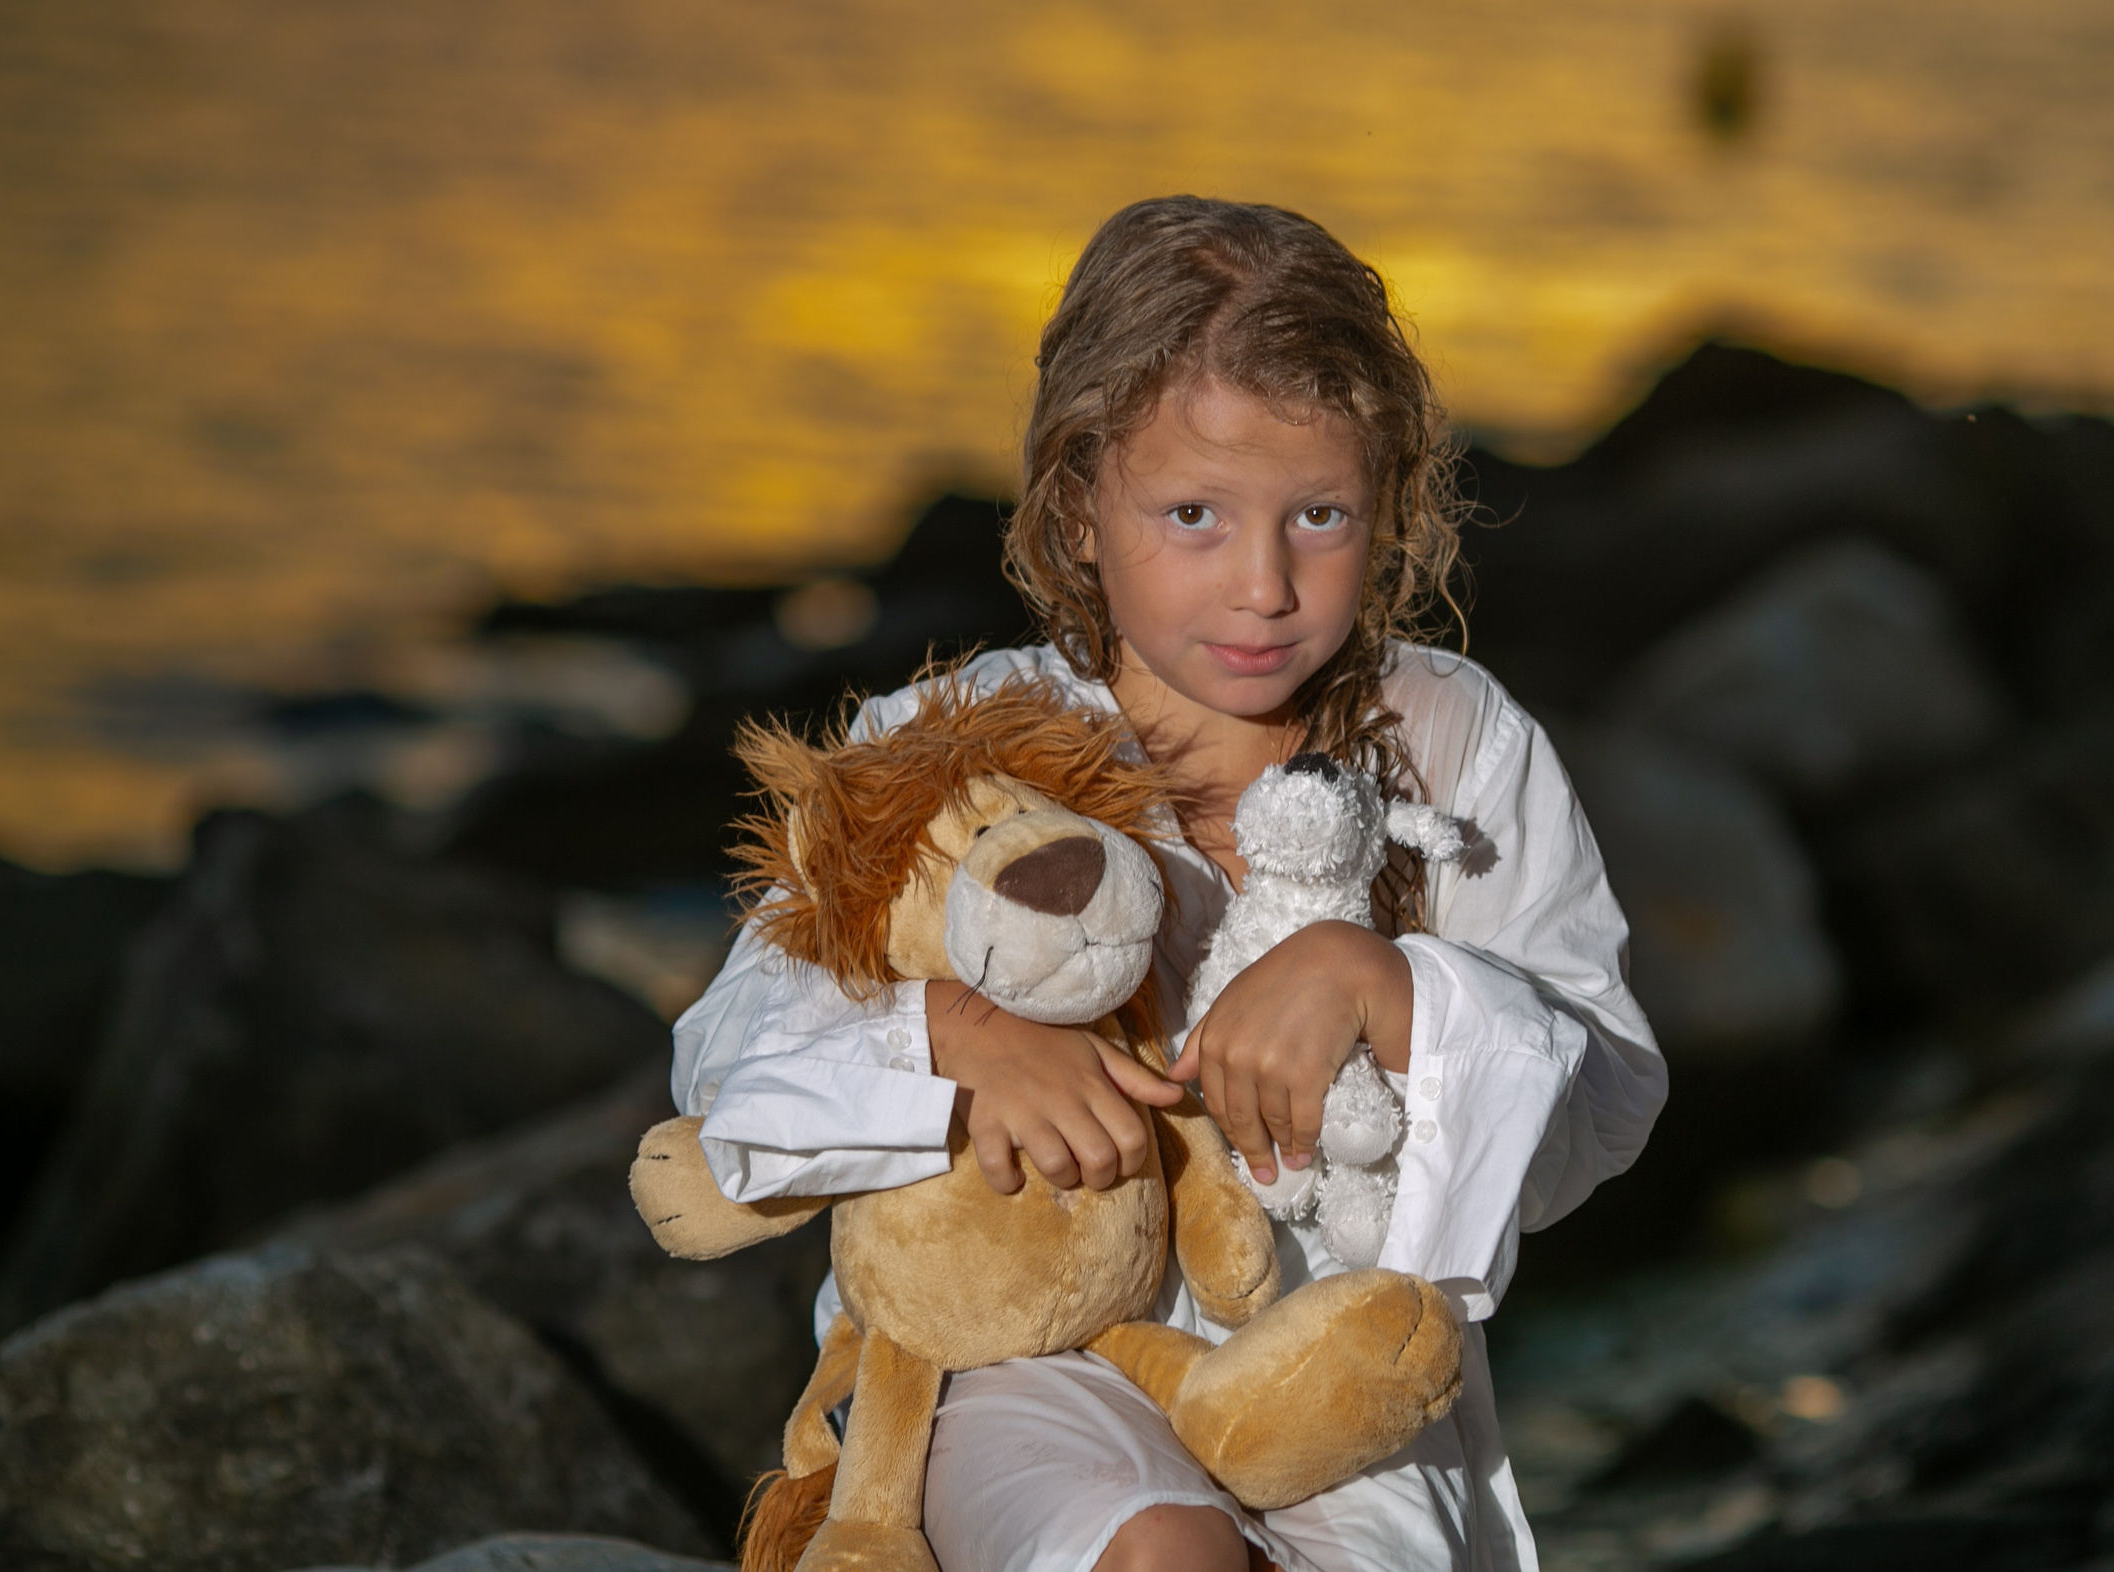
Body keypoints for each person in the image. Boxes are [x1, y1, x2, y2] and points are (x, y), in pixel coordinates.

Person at [672, 195, 1666, 1572]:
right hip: (1037, 1354)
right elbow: (723, 1063)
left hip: (1341, 1368)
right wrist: (958, 1038)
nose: (1263, 586)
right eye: (1191, 515)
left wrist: (1396, 989)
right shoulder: (948, 754)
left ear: (1386, 506)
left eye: (1317, 514)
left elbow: (1611, 1095)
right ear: (1080, 507)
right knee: (1161, 1552)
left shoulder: (1450, 741)